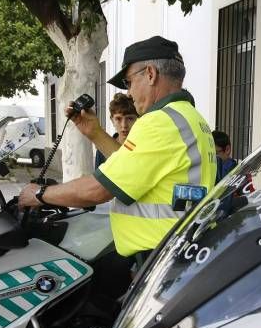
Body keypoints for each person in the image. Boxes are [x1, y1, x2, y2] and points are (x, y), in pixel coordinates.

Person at [18, 35, 216, 299]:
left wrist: (39, 195)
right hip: (180, 251)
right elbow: (133, 167)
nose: (129, 93)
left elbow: (98, 190)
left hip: (162, 258)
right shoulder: (189, 117)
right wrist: (96, 133)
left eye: (128, 82)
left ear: (150, 73)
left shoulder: (158, 123)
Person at [95, 92, 138, 169]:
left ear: (137, 119)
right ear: (112, 120)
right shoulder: (102, 148)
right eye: (118, 119)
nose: (124, 125)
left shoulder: (143, 146)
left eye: (130, 118)